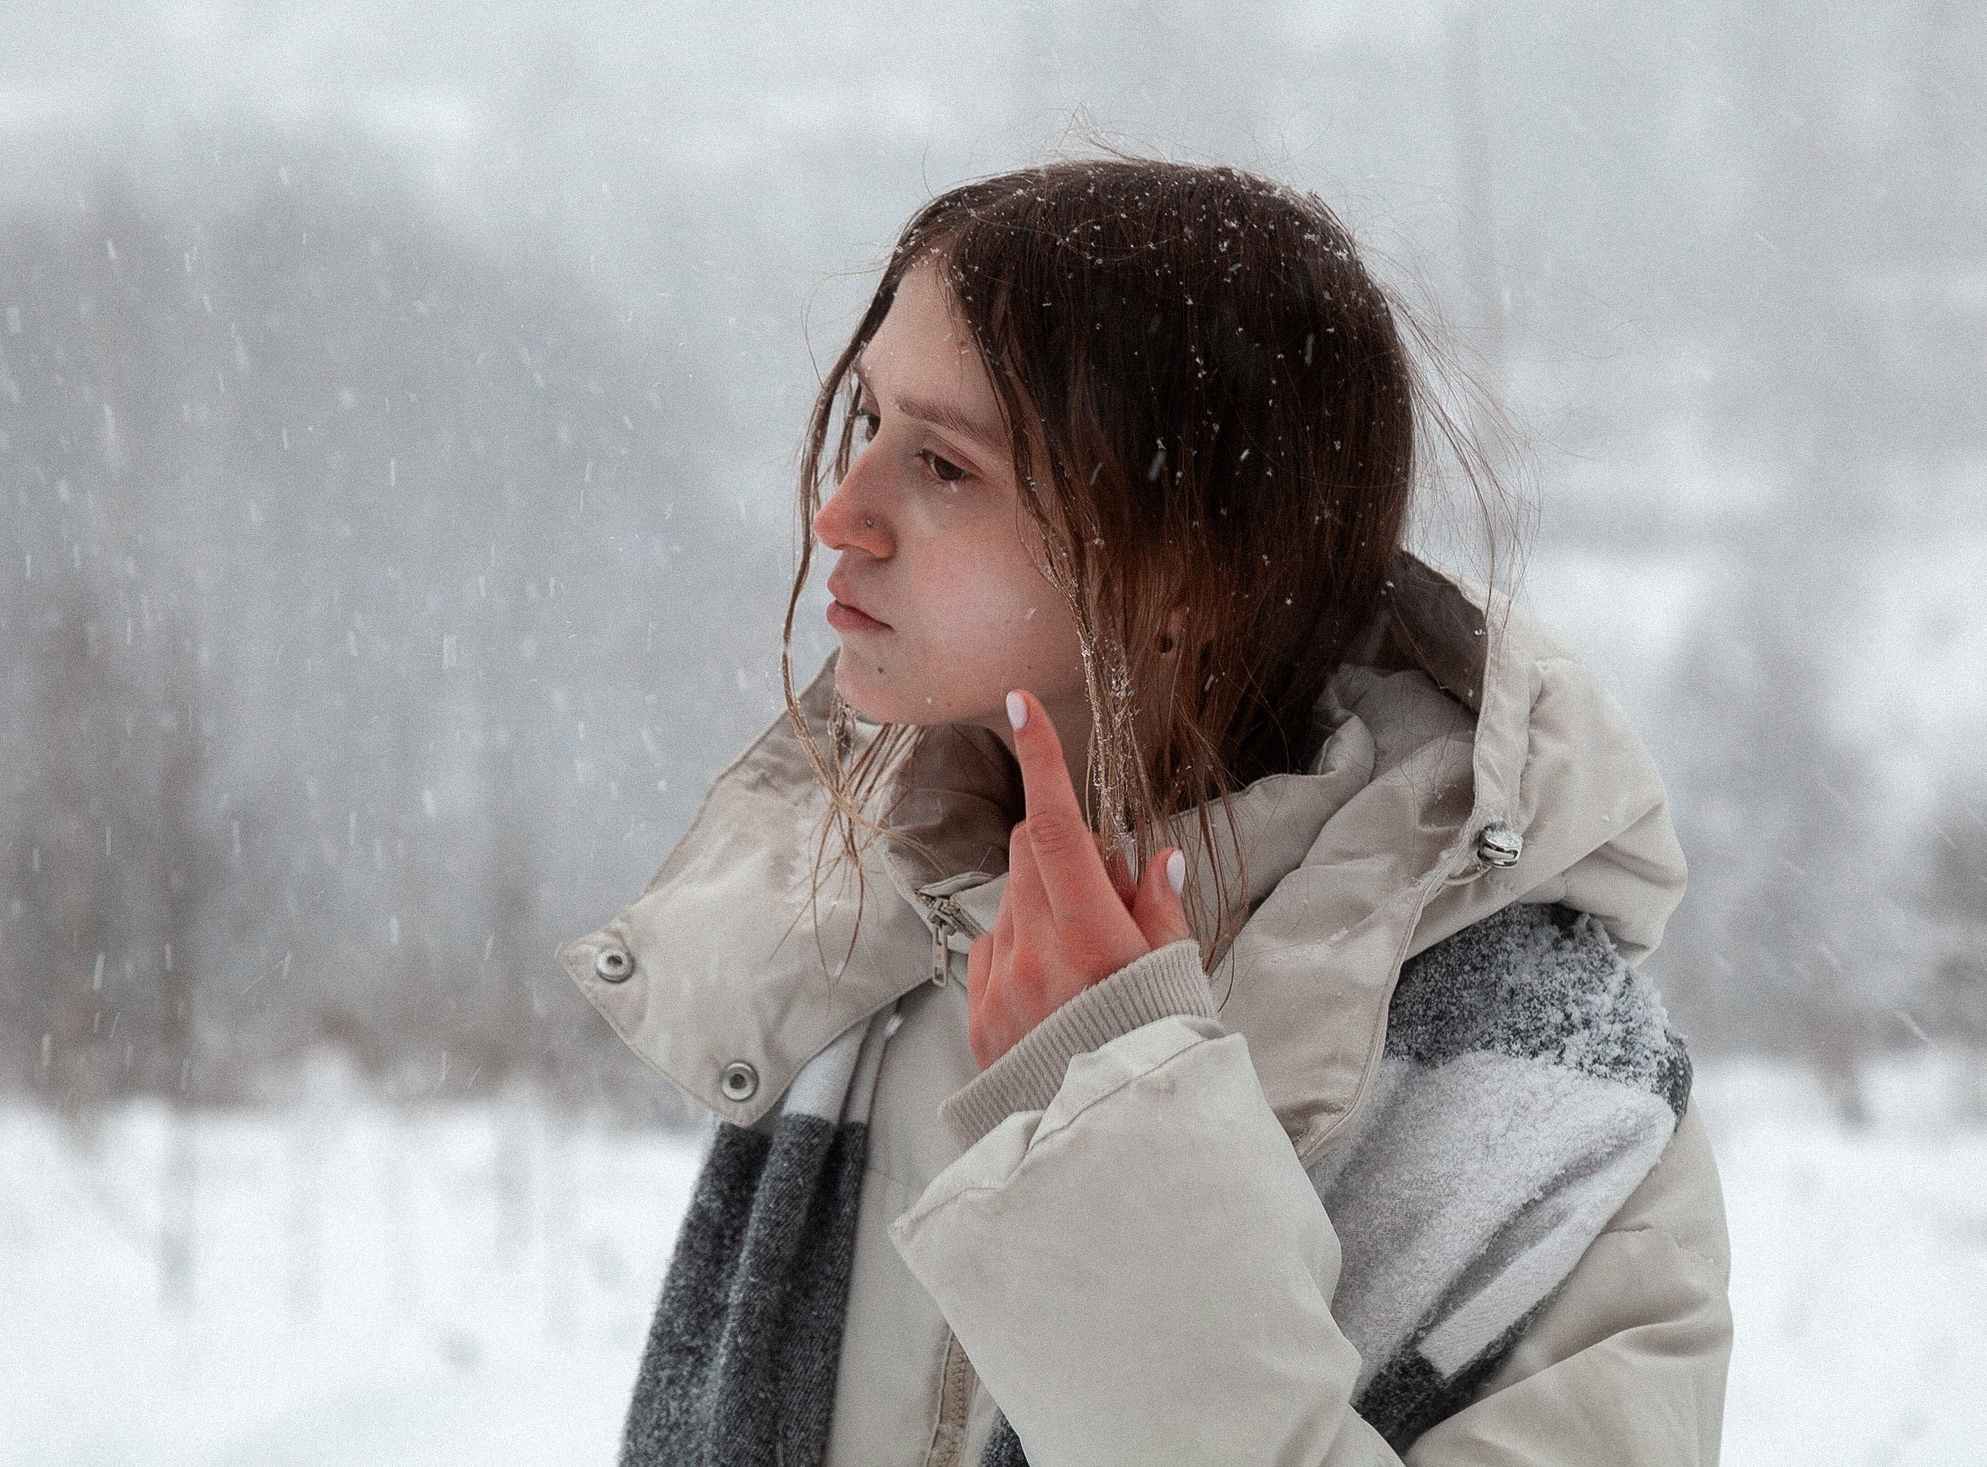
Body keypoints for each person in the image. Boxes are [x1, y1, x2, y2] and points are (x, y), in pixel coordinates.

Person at [567, 158, 1732, 1466]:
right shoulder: (869, 946)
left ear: (1189, 568)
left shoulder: (1548, 1104)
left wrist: (1114, 1137)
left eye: (945, 466)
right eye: (867, 426)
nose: (843, 511)